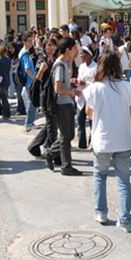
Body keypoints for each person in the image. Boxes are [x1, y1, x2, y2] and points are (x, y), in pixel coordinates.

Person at [83, 52, 131, 233]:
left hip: (102, 139)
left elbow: (88, 113)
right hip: (123, 138)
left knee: (100, 175)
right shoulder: (128, 87)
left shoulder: (95, 88)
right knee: (123, 180)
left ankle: (100, 212)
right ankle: (125, 219)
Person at [46, 38, 83, 176]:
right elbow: (58, 88)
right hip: (62, 104)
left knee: (68, 135)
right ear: (68, 50)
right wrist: (71, 92)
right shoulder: (60, 65)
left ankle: (50, 153)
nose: (76, 51)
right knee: (66, 136)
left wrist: (72, 85)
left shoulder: (65, 64)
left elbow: (63, 85)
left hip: (67, 102)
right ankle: (66, 166)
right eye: (74, 48)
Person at [76, 46, 97, 149]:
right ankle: (81, 143)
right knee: (80, 119)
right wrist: (76, 82)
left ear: (89, 55)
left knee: (91, 120)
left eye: (83, 54)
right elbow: (79, 78)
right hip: (81, 96)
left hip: (91, 97)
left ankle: (92, 142)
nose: (81, 56)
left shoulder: (95, 67)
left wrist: (86, 83)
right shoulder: (81, 66)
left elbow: (96, 83)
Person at [18, 32, 38, 132]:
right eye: (29, 41)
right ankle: (28, 123)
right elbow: (27, 69)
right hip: (30, 81)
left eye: (32, 41)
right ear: (24, 42)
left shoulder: (22, 52)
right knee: (32, 102)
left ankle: (30, 122)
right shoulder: (25, 53)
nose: (31, 43)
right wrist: (34, 78)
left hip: (28, 80)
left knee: (32, 101)